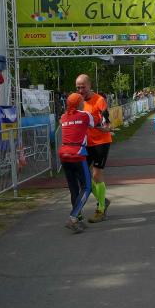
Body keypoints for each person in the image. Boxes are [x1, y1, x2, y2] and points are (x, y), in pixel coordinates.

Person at [75, 74, 112, 223]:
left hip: (101, 142)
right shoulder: (77, 101)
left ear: (89, 85)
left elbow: (107, 121)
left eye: (83, 87)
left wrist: (105, 127)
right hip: (85, 143)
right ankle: (103, 200)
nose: (80, 90)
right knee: (83, 177)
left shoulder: (99, 100)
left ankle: (101, 210)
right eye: (78, 87)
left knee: (96, 175)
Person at [58, 93, 94, 234]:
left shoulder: (63, 117)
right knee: (87, 187)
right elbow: (95, 124)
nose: (83, 103)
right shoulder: (85, 115)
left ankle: (77, 219)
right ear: (79, 103)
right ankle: (73, 217)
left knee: (74, 189)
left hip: (64, 154)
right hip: (78, 154)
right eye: (82, 101)